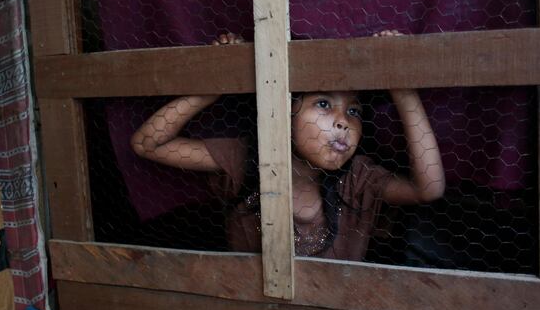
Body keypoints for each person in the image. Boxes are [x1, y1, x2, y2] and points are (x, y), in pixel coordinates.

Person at [130, 31, 445, 261]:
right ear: (283, 112)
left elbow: (428, 188)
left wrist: (403, 92)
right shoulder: (246, 159)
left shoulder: (358, 178)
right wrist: (212, 88)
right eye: (323, 104)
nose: (343, 122)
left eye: (353, 111)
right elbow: (148, 144)